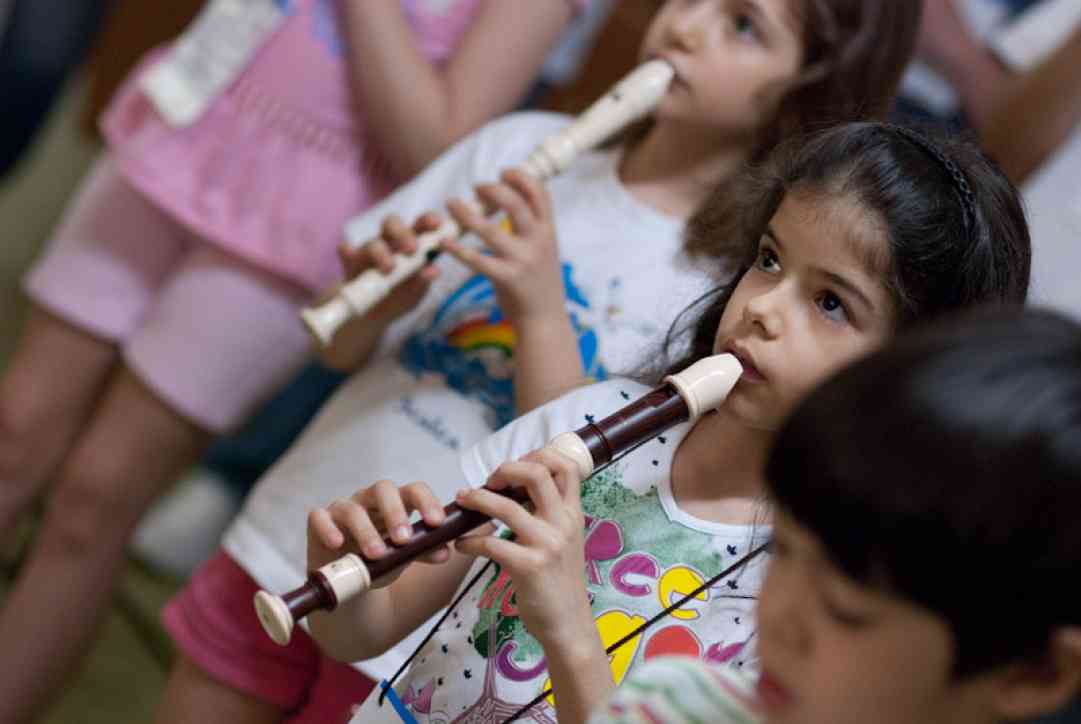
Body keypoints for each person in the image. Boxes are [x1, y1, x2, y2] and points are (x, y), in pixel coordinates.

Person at [157, 2, 926, 721]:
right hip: (345, 544)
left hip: (433, 630)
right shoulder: (522, 150)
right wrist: (378, 298)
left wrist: (535, 302)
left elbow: (580, 451)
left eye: (741, 25)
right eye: (766, 262)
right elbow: (344, 349)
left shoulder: (708, 294)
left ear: (807, 88)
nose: (685, 26)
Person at [307, 120, 1032, 724]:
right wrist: (348, 579)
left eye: (832, 303)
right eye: (770, 260)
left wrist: (567, 625)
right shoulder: (597, 417)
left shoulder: (812, 588)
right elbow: (363, 634)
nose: (762, 309)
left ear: (910, 377)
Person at [0, 1, 590, 721]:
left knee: (94, 499)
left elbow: (438, 148)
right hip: (188, 125)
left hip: (303, 225)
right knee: (15, 428)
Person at [588, 307, 1081, 724]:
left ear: (1034, 674)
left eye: (843, 608)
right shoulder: (670, 706)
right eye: (782, 549)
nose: (776, 615)